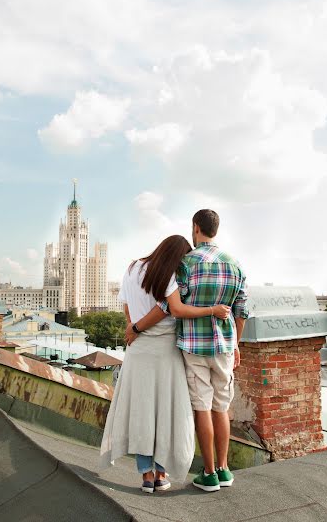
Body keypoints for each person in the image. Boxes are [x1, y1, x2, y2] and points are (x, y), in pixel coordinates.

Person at [126, 209, 248, 493]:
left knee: (202, 407)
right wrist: (236, 344)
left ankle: (208, 473)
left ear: (195, 228)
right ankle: (224, 468)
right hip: (225, 347)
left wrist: (135, 328)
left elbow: (169, 306)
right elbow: (241, 311)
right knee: (222, 406)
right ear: (215, 229)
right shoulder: (235, 265)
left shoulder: (186, 264)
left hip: (194, 346)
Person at [100, 235, 230, 493]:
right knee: (166, 410)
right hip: (165, 348)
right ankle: (161, 474)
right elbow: (172, 310)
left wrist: (135, 328)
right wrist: (213, 310)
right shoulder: (169, 275)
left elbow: (126, 308)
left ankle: (146, 475)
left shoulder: (132, 268)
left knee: (142, 410)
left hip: (138, 348)